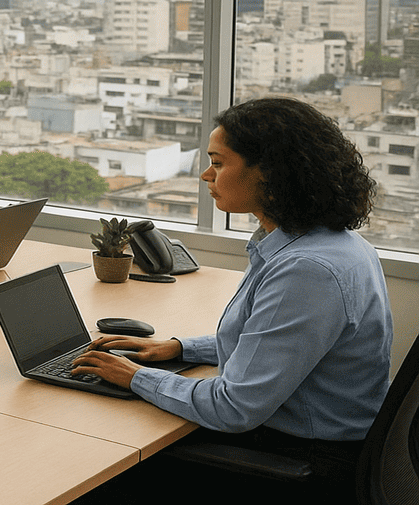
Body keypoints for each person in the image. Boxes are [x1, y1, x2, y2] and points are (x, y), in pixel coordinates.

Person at [73, 97, 392, 495]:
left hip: (302, 461)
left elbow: (233, 408)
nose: (206, 175)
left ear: (271, 174)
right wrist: (179, 349)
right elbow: (271, 340)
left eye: (219, 163)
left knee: (95, 456)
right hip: (309, 440)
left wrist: (136, 376)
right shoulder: (325, 243)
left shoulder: (307, 270)